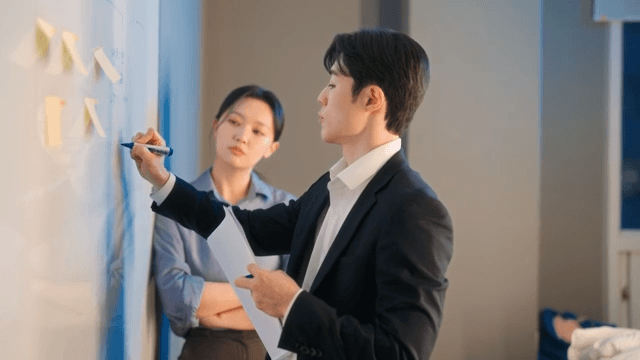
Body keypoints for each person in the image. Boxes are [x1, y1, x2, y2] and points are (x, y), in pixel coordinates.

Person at [131, 27, 453, 360]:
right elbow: (247, 229)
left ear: (371, 99)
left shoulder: (416, 212)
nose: (321, 96)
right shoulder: (329, 188)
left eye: (332, 84)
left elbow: (400, 353)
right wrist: (162, 179)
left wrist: (292, 305)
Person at [152, 85, 296, 360]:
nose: (242, 136)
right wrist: (266, 291)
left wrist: (210, 310)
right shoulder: (176, 205)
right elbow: (178, 299)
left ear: (271, 147)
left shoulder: (285, 209)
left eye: (258, 131)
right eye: (234, 122)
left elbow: (297, 301)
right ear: (216, 126)